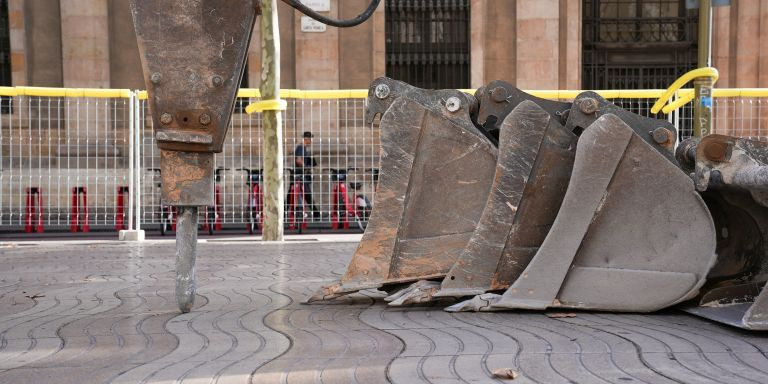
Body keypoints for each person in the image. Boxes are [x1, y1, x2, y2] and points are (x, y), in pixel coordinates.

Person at [294, 131, 320, 218]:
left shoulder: (302, 148)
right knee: (307, 194)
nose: (311, 141)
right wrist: (306, 167)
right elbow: (298, 160)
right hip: (300, 175)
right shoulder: (301, 147)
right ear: (306, 139)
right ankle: (316, 215)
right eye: (310, 139)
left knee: (305, 194)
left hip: (300, 175)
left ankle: (316, 214)